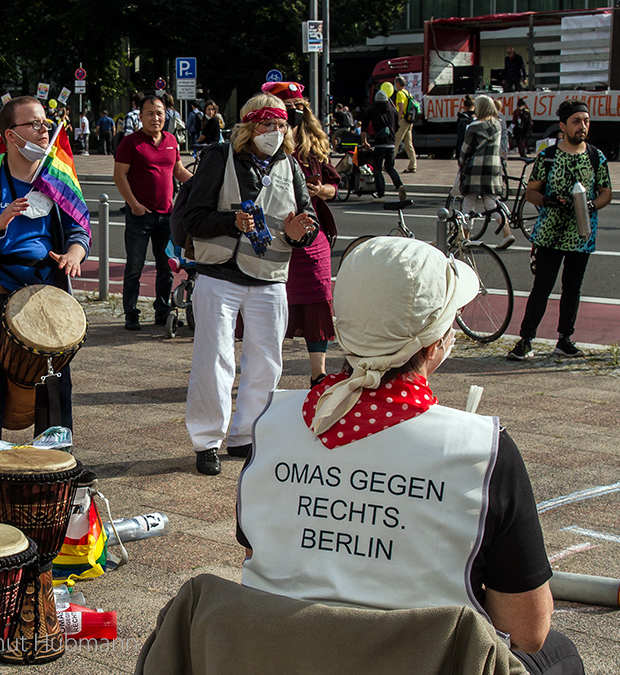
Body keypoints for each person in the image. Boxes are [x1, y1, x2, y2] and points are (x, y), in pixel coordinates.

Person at [238, 236, 582, 675]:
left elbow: (261, 562)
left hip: (286, 656)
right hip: (424, 662)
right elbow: (526, 629)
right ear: (435, 340)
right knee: (558, 652)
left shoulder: (273, 423)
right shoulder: (481, 450)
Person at [0, 95, 91, 497]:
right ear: (11, 135)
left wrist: (74, 254)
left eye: (46, 124)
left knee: (56, 385)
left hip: (47, 295)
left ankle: (59, 460)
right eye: (34, 125)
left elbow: (80, 230)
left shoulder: (57, 176)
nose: (44, 130)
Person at [179, 93, 318, 476]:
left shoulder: (290, 166)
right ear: (248, 126)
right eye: (266, 124)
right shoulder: (218, 157)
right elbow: (194, 217)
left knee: (267, 363)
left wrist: (299, 233)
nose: (274, 132)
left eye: (280, 125)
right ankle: (207, 441)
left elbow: (309, 220)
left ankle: (246, 435)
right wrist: (230, 222)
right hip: (220, 275)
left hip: (270, 276)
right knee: (214, 360)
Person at [508, 100, 612, 361]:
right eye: (577, 121)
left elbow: (606, 193)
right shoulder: (548, 155)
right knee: (542, 286)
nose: (583, 126)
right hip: (550, 233)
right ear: (563, 126)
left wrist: (590, 205)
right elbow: (531, 192)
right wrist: (549, 200)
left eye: (586, 121)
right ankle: (525, 340)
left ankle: (565, 339)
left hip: (581, 234)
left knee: (572, 288)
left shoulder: (595, 156)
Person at [265, 81, 339, 387]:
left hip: (312, 238)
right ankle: (269, 372)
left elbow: (335, 187)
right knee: (270, 304)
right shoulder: (267, 146)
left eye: (297, 109)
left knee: (317, 301)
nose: (293, 116)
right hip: (273, 235)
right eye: (286, 111)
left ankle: (317, 373)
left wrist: (321, 189)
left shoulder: (314, 148)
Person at [114, 93, 193, 331]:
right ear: (141, 117)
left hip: (167, 216)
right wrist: (135, 205)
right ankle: (131, 313)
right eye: (150, 113)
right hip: (140, 216)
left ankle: (162, 311)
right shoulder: (130, 142)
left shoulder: (171, 140)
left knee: (166, 266)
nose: (155, 118)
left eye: (159, 113)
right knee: (134, 267)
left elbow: (179, 171)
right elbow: (119, 176)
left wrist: (201, 185)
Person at [459, 95, 515, 250]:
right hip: (494, 168)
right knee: (492, 202)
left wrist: (461, 161)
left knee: (469, 202)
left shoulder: (474, 126)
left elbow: (465, 149)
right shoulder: (497, 124)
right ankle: (507, 233)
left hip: (477, 168)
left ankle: (464, 237)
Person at [362, 89, 405, 203]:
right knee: (390, 167)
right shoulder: (393, 110)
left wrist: (365, 141)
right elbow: (397, 127)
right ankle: (399, 185)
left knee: (377, 169)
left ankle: (381, 194)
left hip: (380, 144)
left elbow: (364, 126)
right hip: (391, 143)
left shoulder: (373, 110)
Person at [392, 76, 418, 173]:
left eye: (395, 83)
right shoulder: (407, 93)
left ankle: (388, 165)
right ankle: (413, 165)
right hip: (409, 121)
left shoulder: (399, 93)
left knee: (395, 143)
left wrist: (397, 119)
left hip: (402, 120)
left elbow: (401, 108)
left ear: (398, 84)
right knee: (408, 144)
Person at [454, 95, 475, 160]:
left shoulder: (461, 117)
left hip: (462, 142)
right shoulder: (477, 117)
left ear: (464, 106)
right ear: (474, 106)